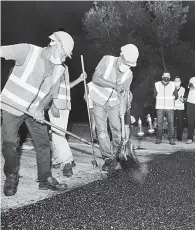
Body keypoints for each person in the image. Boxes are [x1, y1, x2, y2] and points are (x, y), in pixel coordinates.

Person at [1, 30, 74, 196]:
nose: (63, 59)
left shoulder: (59, 69)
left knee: (43, 144)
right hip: (13, 106)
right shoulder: (26, 51)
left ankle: (45, 179)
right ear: (54, 44)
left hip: (34, 110)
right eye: (63, 54)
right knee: (10, 143)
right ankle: (11, 176)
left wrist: (40, 108)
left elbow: (52, 93)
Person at [89, 44, 139, 170]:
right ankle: (107, 158)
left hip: (114, 103)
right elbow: (95, 78)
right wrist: (114, 85)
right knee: (102, 131)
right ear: (121, 56)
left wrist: (124, 108)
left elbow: (125, 94)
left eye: (130, 65)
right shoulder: (107, 60)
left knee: (117, 129)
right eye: (127, 63)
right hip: (98, 100)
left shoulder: (129, 74)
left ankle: (118, 155)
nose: (127, 67)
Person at [49, 66, 86, 177]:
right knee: (58, 133)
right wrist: (52, 104)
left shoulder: (65, 67)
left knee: (59, 133)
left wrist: (80, 79)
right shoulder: (53, 64)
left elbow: (65, 87)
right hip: (56, 104)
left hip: (65, 105)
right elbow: (47, 85)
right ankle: (67, 162)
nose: (71, 52)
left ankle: (56, 160)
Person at [154, 72, 178, 145]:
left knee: (171, 124)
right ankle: (158, 139)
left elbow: (176, 96)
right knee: (159, 124)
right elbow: (154, 95)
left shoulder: (173, 85)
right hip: (159, 107)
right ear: (162, 76)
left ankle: (171, 139)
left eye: (168, 76)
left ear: (170, 77)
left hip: (170, 107)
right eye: (165, 76)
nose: (166, 77)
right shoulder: (157, 84)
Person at [173, 77, 186, 141]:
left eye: (178, 81)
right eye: (175, 81)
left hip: (180, 109)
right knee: (171, 123)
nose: (177, 82)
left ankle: (179, 137)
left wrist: (183, 100)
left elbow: (186, 98)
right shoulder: (171, 89)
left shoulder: (183, 89)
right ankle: (171, 137)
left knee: (180, 124)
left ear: (180, 82)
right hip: (172, 108)